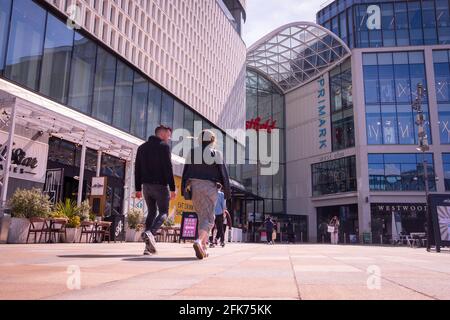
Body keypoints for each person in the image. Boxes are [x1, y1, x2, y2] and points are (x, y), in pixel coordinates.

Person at [181, 129, 230, 259]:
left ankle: (203, 247)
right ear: (212, 140)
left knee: (202, 216)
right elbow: (223, 174)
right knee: (209, 218)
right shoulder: (216, 153)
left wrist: (184, 190)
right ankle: (198, 241)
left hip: (195, 186)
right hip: (210, 187)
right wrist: (227, 191)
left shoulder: (192, 153)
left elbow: (185, 172)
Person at [135, 125, 177, 256]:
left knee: (151, 212)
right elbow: (168, 168)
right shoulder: (164, 147)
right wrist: (173, 188)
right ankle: (150, 233)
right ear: (162, 133)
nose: (169, 138)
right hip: (160, 186)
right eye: (168, 134)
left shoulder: (141, 148)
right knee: (164, 212)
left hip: (146, 187)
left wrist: (137, 188)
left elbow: (137, 169)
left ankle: (148, 248)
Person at [209, 184, 226, 248]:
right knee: (220, 228)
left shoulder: (211, 193)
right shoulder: (221, 194)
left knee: (211, 228)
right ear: (220, 188)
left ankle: (211, 242)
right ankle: (222, 241)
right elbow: (223, 205)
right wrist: (224, 213)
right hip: (219, 213)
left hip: (212, 212)